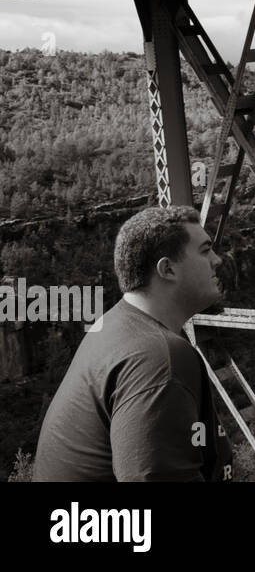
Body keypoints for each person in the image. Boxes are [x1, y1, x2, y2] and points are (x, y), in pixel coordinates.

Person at [34, 205, 233, 482]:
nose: (217, 260)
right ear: (167, 269)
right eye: (204, 250)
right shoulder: (158, 356)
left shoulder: (115, 326)